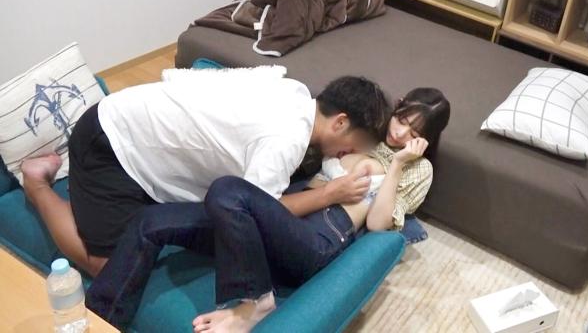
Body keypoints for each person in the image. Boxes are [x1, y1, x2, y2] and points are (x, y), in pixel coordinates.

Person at [84, 88, 451, 332]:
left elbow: (379, 223)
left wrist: (398, 164)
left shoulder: (417, 168)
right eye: (402, 119)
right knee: (151, 221)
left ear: (426, 139)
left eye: (414, 131)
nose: (400, 133)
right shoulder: (359, 130)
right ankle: (97, 320)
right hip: (277, 222)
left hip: (317, 238)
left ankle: (256, 302)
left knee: (227, 190)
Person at [21, 70, 391, 277]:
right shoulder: (286, 139)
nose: (349, 154)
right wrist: (330, 194)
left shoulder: (295, 92)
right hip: (111, 144)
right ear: (340, 122)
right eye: (355, 144)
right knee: (108, 267)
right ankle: (36, 184)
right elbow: (257, 209)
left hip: (137, 128)